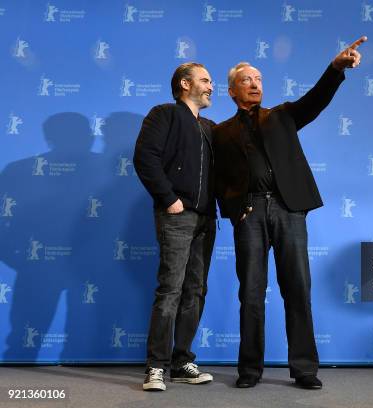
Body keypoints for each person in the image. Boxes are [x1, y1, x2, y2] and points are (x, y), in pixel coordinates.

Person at [213, 36, 367, 389]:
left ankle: (304, 369)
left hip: (288, 210)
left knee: (297, 289)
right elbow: (217, 179)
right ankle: (249, 371)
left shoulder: (282, 116)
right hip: (248, 214)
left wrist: (335, 69)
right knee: (250, 292)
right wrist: (234, 211)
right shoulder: (220, 133)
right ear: (232, 91)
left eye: (259, 79)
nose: (254, 84)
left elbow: (316, 100)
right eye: (246, 80)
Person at [133, 62, 216, 391]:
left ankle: (182, 361)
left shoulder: (210, 127)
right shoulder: (163, 113)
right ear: (185, 83)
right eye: (205, 80)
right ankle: (155, 367)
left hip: (206, 220)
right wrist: (169, 199)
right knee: (170, 289)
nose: (211, 86)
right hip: (177, 215)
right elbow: (145, 157)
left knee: (195, 292)